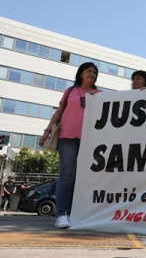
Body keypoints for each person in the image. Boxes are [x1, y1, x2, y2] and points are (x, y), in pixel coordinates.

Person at [39, 62, 101, 229]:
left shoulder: (99, 94)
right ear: (81, 73)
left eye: (95, 72)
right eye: (89, 71)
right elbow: (59, 113)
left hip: (90, 141)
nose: (92, 74)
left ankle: (78, 213)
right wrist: (46, 131)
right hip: (66, 138)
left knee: (84, 178)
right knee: (67, 175)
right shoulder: (70, 92)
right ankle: (61, 214)